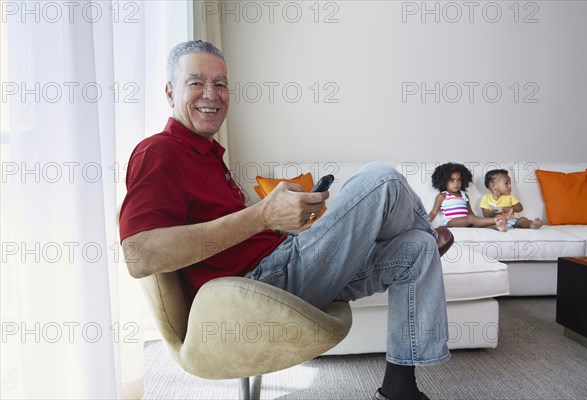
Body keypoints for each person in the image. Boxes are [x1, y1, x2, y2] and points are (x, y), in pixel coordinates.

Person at [119, 40, 453, 400]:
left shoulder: (206, 154)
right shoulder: (159, 152)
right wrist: (262, 215)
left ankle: (398, 390)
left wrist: (283, 223)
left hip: (284, 264)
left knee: (415, 250)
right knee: (382, 180)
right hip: (258, 289)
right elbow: (140, 257)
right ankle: (426, 228)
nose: (211, 94)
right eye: (196, 82)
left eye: (220, 84)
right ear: (170, 92)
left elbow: (235, 238)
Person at [429, 162, 511, 232]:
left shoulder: (464, 195)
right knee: (470, 219)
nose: (456, 183)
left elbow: (470, 212)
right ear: (444, 181)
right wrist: (425, 224)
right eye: (452, 180)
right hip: (450, 223)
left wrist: (477, 222)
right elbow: (433, 212)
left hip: (466, 222)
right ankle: (499, 219)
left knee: (475, 223)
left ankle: (496, 226)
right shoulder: (442, 196)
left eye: (459, 180)